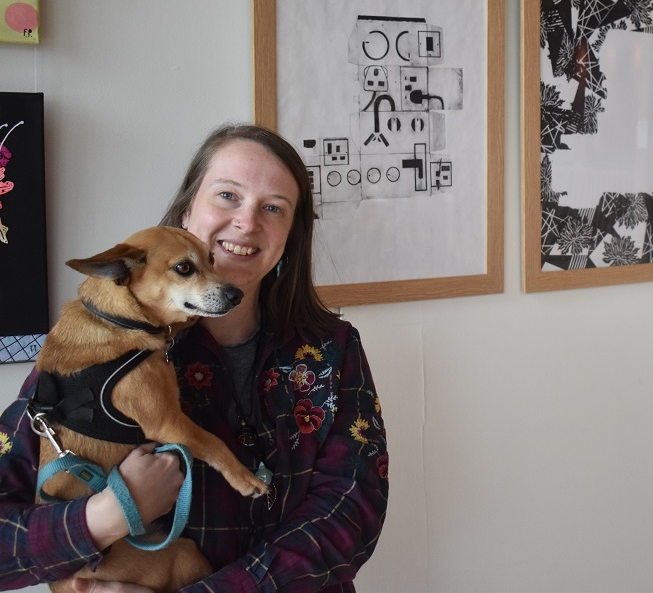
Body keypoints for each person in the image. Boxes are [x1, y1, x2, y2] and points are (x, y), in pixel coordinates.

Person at [0, 123, 389, 591]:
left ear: (291, 234)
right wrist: (104, 517)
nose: (247, 222)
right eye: (228, 196)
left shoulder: (334, 348)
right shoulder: (93, 354)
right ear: (187, 211)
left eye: (273, 208)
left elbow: (351, 512)